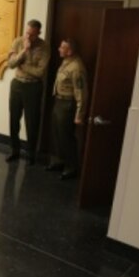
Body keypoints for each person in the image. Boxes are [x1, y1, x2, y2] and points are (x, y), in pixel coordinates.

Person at [6, 19, 50, 165]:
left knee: (32, 122)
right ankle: (14, 150)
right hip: (17, 85)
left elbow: (39, 72)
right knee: (14, 119)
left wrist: (22, 65)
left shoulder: (44, 47)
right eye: (27, 33)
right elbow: (11, 64)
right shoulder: (18, 42)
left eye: (32, 34)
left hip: (33, 87)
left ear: (38, 33)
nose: (28, 37)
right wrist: (24, 50)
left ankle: (31, 153)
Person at [46, 39, 88, 180]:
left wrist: (79, 115)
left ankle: (71, 167)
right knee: (57, 133)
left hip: (68, 104)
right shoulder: (66, 62)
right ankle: (59, 161)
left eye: (62, 47)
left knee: (66, 137)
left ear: (69, 51)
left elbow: (81, 92)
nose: (59, 49)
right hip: (59, 101)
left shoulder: (76, 67)